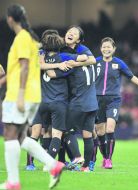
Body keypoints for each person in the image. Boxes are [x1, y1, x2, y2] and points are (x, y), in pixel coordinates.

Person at [0, 4, 64, 190]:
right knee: (22, 137)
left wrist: (21, 95)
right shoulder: (30, 38)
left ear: (10, 19)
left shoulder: (22, 38)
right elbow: (17, 68)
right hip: (34, 94)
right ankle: (53, 165)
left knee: (10, 134)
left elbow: (23, 67)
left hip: (20, 94)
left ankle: (13, 182)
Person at [26, 31, 87, 171]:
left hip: (41, 101)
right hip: (58, 101)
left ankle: (31, 163)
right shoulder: (63, 56)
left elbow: (39, 66)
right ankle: (51, 163)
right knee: (58, 134)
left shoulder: (40, 55)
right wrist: (70, 63)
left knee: (40, 132)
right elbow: (84, 57)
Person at [93, 37, 138, 170]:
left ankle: (108, 160)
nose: (106, 49)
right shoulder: (95, 62)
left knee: (110, 129)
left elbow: (131, 76)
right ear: (101, 48)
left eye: (109, 47)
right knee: (100, 132)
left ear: (114, 49)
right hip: (97, 99)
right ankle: (105, 156)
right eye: (104, 47)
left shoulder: (119, 63)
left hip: (113, 99)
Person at [47, 26, 98, 172]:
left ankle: (75, 158)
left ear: (79, 40)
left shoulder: (71, 59)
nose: (71, 33)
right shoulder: (79, 52)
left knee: (63, 130)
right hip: (92, 102)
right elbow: (91, 60)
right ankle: (86, 167)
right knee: (87, 135)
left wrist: (70, 64)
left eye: (75, 33)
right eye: (69, 31)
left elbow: (53, 74)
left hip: (79, 101)